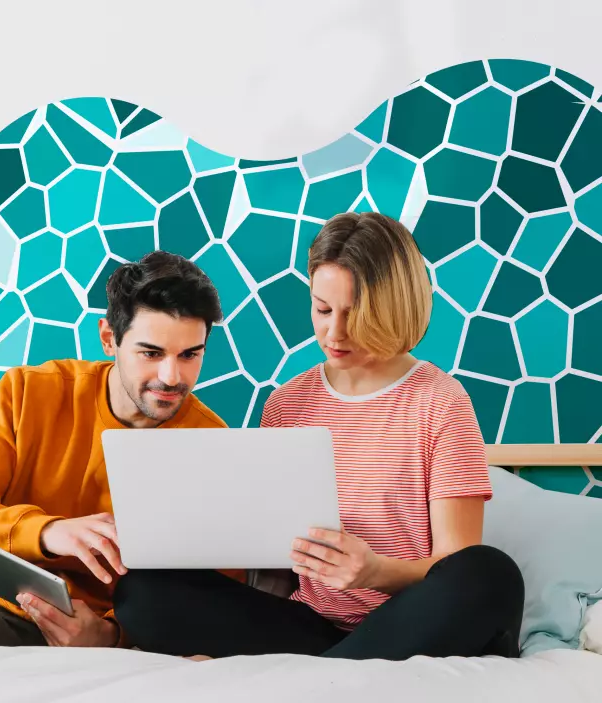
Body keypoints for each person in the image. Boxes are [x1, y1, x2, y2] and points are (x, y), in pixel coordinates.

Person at [113, 212, 526, 661]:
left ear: (394, 308)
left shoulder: (441, 402)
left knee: (489, 573)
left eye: (355, 314)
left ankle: (327, 675)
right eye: (323, 309)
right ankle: (342, 672)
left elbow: (453, 563)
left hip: (410, 619)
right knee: (143, 591)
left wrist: (373, 572)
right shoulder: (285, 404)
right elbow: (278, 563)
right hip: (316, 629)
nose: (334, 332)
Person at [0, 251, 238, 649]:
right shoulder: (29, 391)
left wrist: (113, 635)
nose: (171, 376)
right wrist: (46, 532)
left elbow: (216, 598)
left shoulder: (211, 447)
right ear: (109, 339)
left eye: (190, 354)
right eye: (151, 353)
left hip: (20, 613)